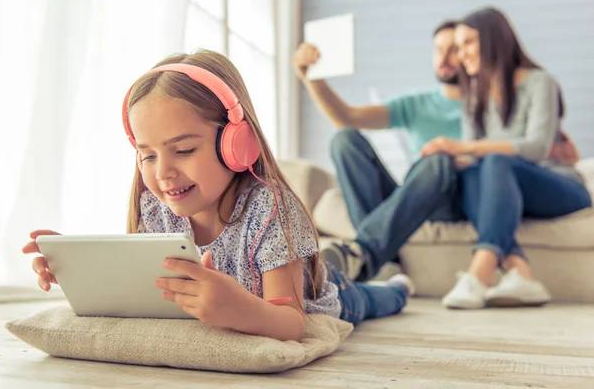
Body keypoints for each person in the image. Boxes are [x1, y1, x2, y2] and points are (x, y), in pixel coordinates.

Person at [22, 49, 415, 341]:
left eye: (184, 149)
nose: (163, 173)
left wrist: (240, 308)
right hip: (290, 270)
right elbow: (145, 290)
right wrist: (81, 269)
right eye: (147, 155)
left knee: (369, 300)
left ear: (236, 144)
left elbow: (292, 322)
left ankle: (395, 288)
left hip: (328, 294)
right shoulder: (155, 208)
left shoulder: (270, 208)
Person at [293, 19, 581, 284]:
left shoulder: (489, 99)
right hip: (416, 191)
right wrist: (311, 79)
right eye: (439, 49)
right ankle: (383, 259)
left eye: (456, 48)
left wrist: (555, 154)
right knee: (345, 139)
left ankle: (366, 252)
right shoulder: (418, 104)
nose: (446, 57)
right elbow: (348, 117)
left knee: (441, 160)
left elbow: (526, 148)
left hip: (462, 194)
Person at [419, 7, 592, 309]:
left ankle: (481, 270)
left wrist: (468, 147)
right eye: (458, 47)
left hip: (560, 187)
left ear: (494, 39)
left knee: (494, 161)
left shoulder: (540, 82)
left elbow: (537, 147)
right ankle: (520, 272)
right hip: (505, 190)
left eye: (468, 43)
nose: (462, 54)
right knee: (473, 173)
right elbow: (470, 157)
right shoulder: (473, 95)